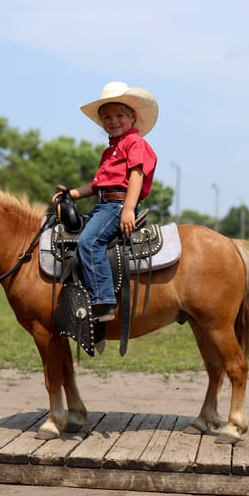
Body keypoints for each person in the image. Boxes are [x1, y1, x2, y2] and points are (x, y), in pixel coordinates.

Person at [53, 81, 158, 323]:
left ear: (132, 117)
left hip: (118, 205)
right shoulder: (109, 150)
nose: (113, 121)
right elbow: (97, 184)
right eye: (107, 117)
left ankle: (102, 301)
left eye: (120, 115)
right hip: (104, 204)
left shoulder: (135, 142)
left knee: (89, 242)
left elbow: (137, 175)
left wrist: (128, 209)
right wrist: (73, 193)